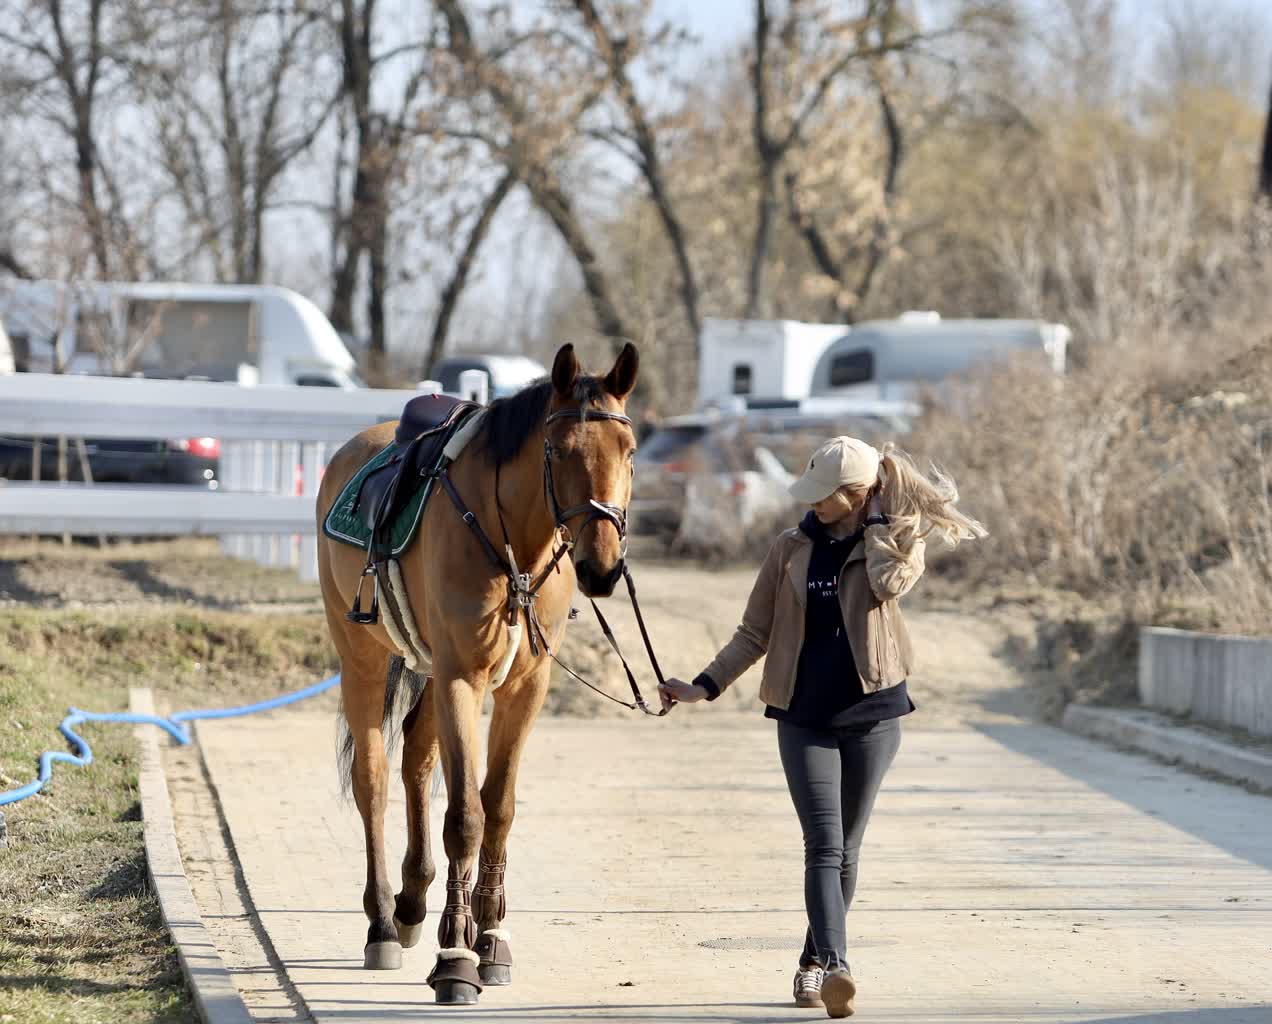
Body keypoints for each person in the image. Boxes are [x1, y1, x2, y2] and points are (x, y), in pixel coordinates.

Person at [659, 436, 985, 1019]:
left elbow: (889, 586)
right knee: (823, 845)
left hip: (873, 716)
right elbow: (753, 633)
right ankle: (837, 966)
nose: (811, 505)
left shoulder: (896, 540)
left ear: (857, 495)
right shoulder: (788, 548)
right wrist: (703, 685)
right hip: (803, 715)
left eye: (823, 497)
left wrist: (883, 524)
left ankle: (811, 961)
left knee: (848, 850)